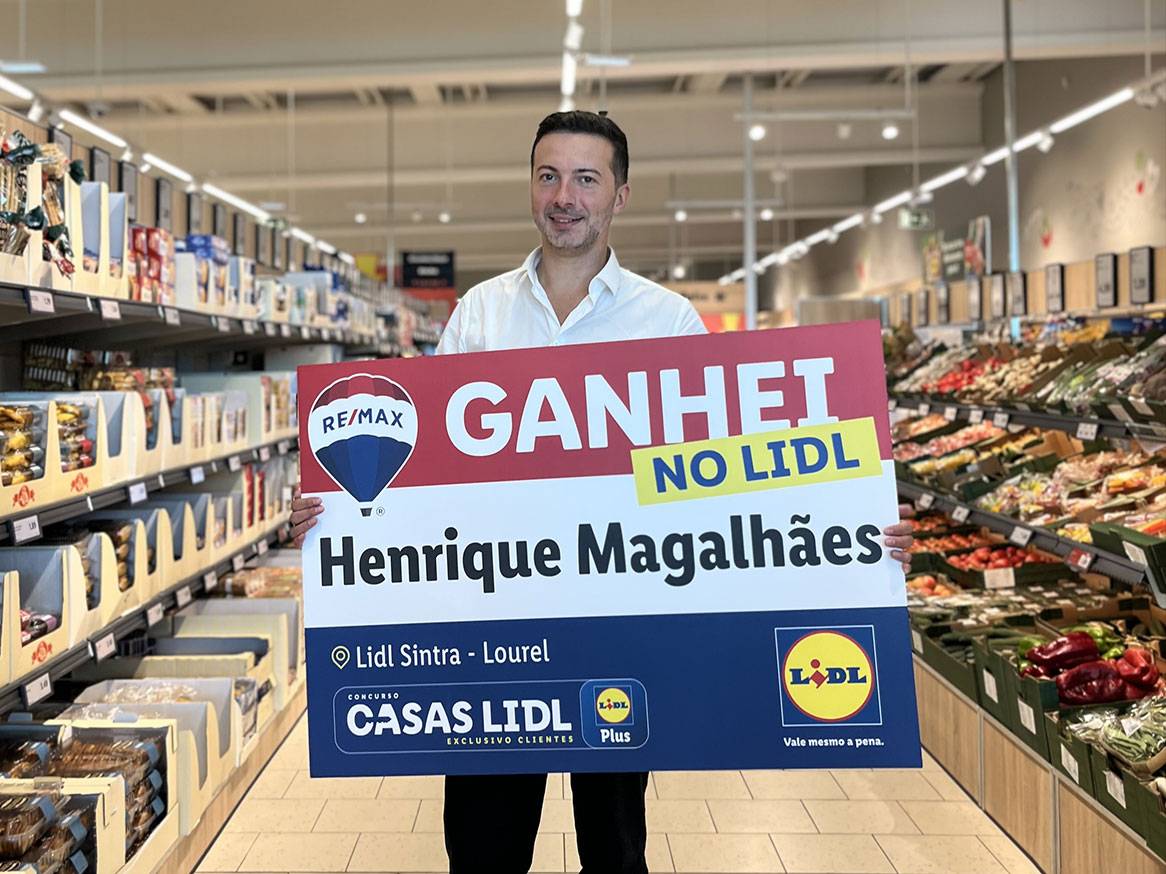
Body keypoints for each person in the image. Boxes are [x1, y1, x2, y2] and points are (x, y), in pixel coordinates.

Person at [289, 110, 915, 874]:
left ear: (620, 195)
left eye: (587, 178)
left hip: (624, 630)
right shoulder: (480, 316)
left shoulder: (668, 321)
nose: (565, 196)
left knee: (617, 851)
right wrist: (340, 519)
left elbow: (726, 479)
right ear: (531, 187)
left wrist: (849, 527)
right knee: (485, 850)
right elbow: (420, 478)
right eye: (549, 175)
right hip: (495, 636)